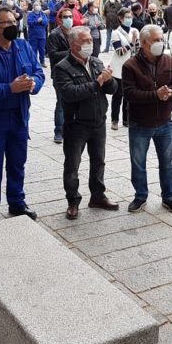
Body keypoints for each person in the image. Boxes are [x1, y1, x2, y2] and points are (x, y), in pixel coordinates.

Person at [0, 6, 45, 224]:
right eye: (8, 23)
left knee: (17, 163)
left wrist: (33, 84)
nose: (14, 26)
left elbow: (39, 72)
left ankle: (17, 203)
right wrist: (9, 88)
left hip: (20, 117)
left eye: (15, 21)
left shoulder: (23, 46)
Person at [54, 27, 119, 220]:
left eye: (91, 40)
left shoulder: (97, 62)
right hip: (77, 125)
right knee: (72, 165)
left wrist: (108, 80)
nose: (90, 44)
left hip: (98, 122)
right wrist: (97, 83)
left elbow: (112, 89)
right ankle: (73, 201)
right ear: (74, 45)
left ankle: (98, 196)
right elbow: (70, 93)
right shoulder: (62, 67)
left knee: (98, 161)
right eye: (85, 41)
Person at [122, 25, 172, 214]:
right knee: (138, 162)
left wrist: (170, 92)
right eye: (156, 39)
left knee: (168, 163)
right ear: (144, 42)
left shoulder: (169, 61)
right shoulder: (130, 65)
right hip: (140, 123)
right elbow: (130, 94)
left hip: (165, 121)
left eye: (161, 39)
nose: (160, 43)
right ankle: (140, 196)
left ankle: (168, 197)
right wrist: (155, 95)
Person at [47, 7, 74, 143]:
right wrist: (70, 51)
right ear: (60, 19)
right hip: (60, 74)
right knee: (61, 103)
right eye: (65, 17)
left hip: (74, 73)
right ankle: (58, 131)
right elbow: (52, 55)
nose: (68, 19)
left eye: (70, 16)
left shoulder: (75, 32)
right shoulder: (54, 34)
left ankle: (70, 129)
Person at [109, 7, 139, 130]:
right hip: (118, 69)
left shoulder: (135, 30)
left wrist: (136, 43)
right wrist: (131, 43)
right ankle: (114, 120)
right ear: (121, 19)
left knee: (129, 96)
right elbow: (119, 52)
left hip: (132, 68)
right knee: (118, 96)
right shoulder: (116, 33)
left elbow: (137, 50)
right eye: (126, 17)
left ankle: (127, 119)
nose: (129, 19)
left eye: (130, 17)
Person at [27, 0, 49, 66]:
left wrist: (41, 21)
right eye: (36, 5)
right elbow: (29, 23)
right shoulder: (31, 14)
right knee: (33, 50)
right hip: (33, 36)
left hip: (42, 35)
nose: (38, 6)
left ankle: (42, 62)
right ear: (33, 7)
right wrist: (37, 21)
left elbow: (46, 22)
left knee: (42, 50)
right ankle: (34, 62)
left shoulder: (42, 14)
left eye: (39, 5)